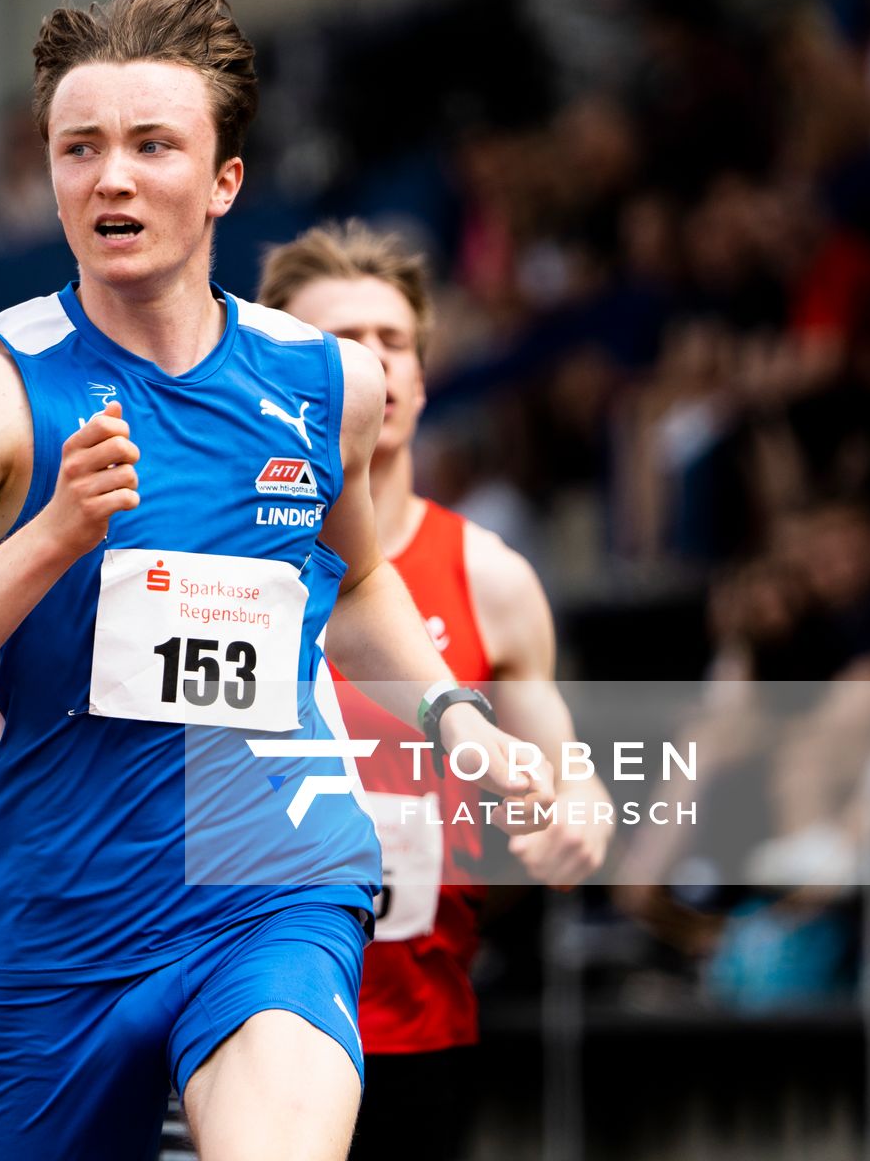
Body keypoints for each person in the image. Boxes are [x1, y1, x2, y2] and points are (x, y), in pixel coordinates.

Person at [0, 0, 555, 1161]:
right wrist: (50, 537)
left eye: (152, 145)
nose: (112, 178)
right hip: (62, 922)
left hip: (271, 877)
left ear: (223, 181)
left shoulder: (330, 387)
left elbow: (359, 581)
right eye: (81, 149)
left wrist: (453, 719)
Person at [262, 221, 613, 1158]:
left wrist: (573, 813)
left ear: (420, 376)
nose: (370, 366)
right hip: (241, 1019)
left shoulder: (491, 576)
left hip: (418, 1030)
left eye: (392, 343)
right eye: (339, 343)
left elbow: (569, 773)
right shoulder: (223, 558)